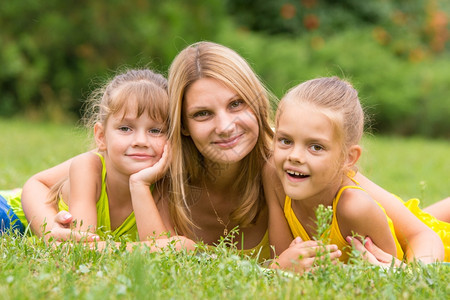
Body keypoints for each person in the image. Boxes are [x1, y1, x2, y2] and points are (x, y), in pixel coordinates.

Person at [20, 42, 445, 272]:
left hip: (396, 233)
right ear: (181, 124)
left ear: (257, 104)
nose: (225, 126)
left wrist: (413, 271)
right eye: (203, 113)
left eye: (237, 104)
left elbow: (417, 236)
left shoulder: (288, 158)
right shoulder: (156, 161)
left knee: (430, 219)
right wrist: (49, 229)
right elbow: (39, 184)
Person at [267, 76, 449, 266]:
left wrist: (412, 274)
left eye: (316, 147)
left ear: (348, 158)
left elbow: (392, 273)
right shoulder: (275, 174)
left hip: (429, 247)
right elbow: (282, 260)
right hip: (407, 223)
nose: (295, 156)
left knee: (426, 224)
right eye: (286, 141)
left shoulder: (355, 207)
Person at [3, 69, 172, 242]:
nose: (141, 141)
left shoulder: (166, 185)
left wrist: (141, 184)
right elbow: (82, 245)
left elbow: (160, 247)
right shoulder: (88, 167)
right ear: (101, 136)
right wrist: (49, 229)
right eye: (125, 128)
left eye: (155, 130)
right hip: (11, 214)